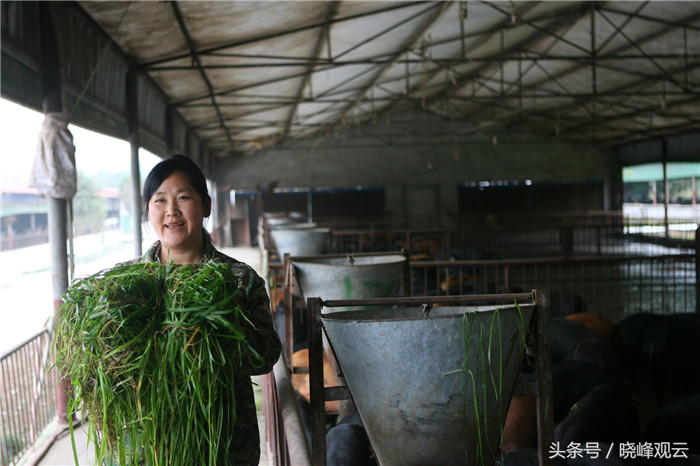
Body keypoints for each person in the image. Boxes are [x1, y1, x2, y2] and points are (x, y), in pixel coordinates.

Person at [128, 153, 281, 464]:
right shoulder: (129, 286)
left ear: (206, 205)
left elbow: (266, 354)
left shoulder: (239, 280)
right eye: (159, 201)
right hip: (150, 447)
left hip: (223, 446)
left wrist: (216, 327)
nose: (171, 211)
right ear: (148, 210)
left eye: (183, 197)